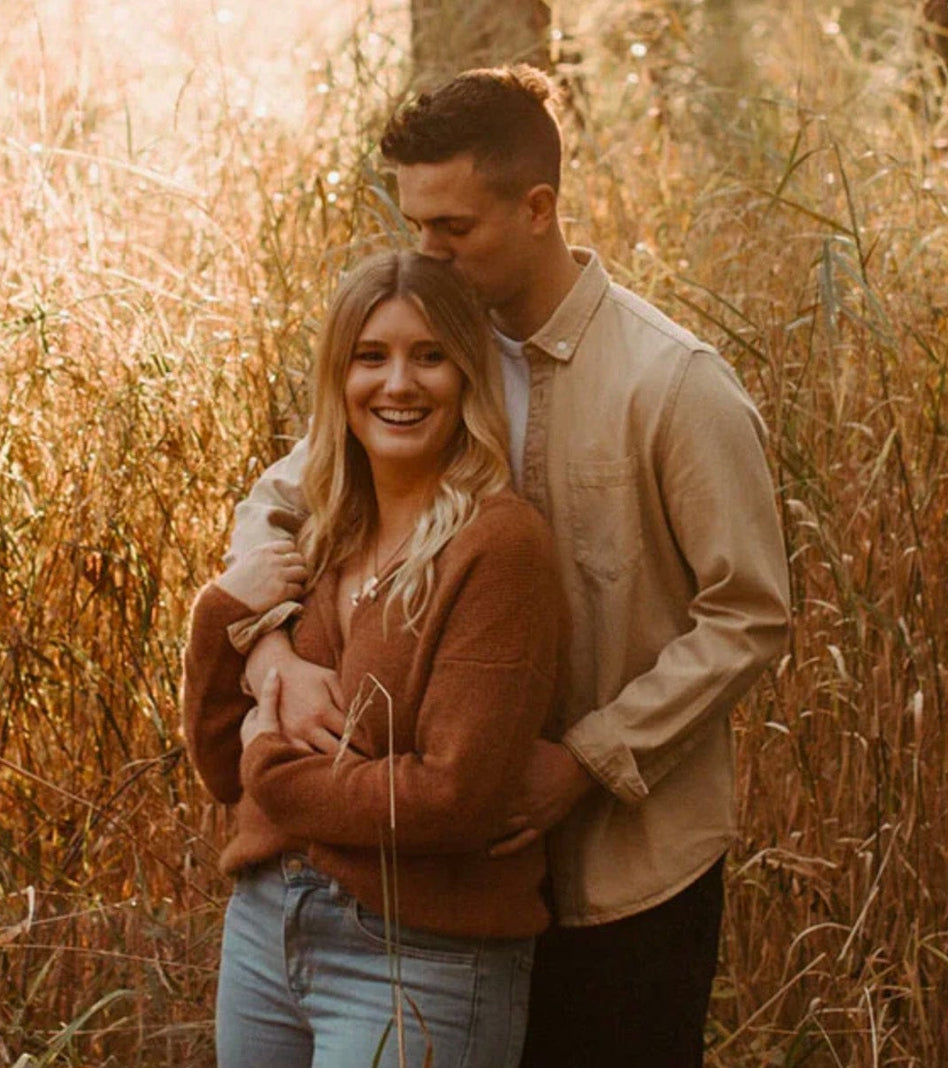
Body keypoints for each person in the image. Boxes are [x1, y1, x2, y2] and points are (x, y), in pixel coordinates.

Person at [227, 66, 792, 1066]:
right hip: (447, 898)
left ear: (538, 209)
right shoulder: (433, 357)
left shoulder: (673, 384)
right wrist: (268, 649)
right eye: (414, 225)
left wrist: (587, 760)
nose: (425, 252)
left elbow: (747, 614)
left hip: (624, 875)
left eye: (453, 228)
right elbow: (275, 502)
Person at [181, 250, 569, 1067]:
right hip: (264, 930)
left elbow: (451, 797)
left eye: (429, 356)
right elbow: (222, 763)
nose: (399, 383)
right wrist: (222, 613)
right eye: (372, 356)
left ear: (467, 377)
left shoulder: (500, 547)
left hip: (420, 956)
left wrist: (276, 775)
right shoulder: (318, 531)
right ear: (339, 378)